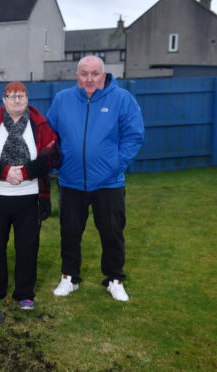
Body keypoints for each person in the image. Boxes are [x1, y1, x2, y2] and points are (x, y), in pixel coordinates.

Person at [46, 55, 144, 301]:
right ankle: (69, 278)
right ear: (77, 75)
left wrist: (116, 164)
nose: (89, 79)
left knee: (112, 233)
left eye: (94, 73)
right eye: (84, 73)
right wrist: (57, 163)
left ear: (104, 74)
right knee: (69, 233)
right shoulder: (62, 100)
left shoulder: (122, 99)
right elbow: (49, 136)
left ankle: (114, 279)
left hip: (109, 183)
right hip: (71, 181)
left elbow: (134, 136)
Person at [0, 81, 60, 310]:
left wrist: (25, 172)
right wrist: (4, 171)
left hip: (29, 198)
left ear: (27, 99)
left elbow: (52, 155)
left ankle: (24, 294)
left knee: (27, 247)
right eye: (11, 96)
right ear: (4, 100)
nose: (17, 100)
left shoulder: (39, 125)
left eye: (21, 95)